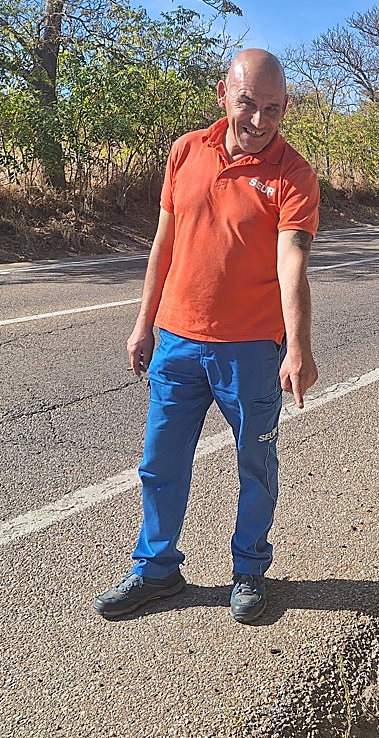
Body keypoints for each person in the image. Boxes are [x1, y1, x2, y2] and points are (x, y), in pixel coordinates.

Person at [93, 48, 319, 624]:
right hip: (177, 340)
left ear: (285, 106)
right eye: (248, 103)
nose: (260, 120)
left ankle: (249, 569)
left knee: (255, 464)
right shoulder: (186, 151)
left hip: (249, 348)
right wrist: (144, 322)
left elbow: (292, 261)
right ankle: (156, 570)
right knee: (161, 463)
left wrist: (299, 346)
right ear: (224, 94)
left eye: (273, 108)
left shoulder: (293, 174)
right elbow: (164, 244)